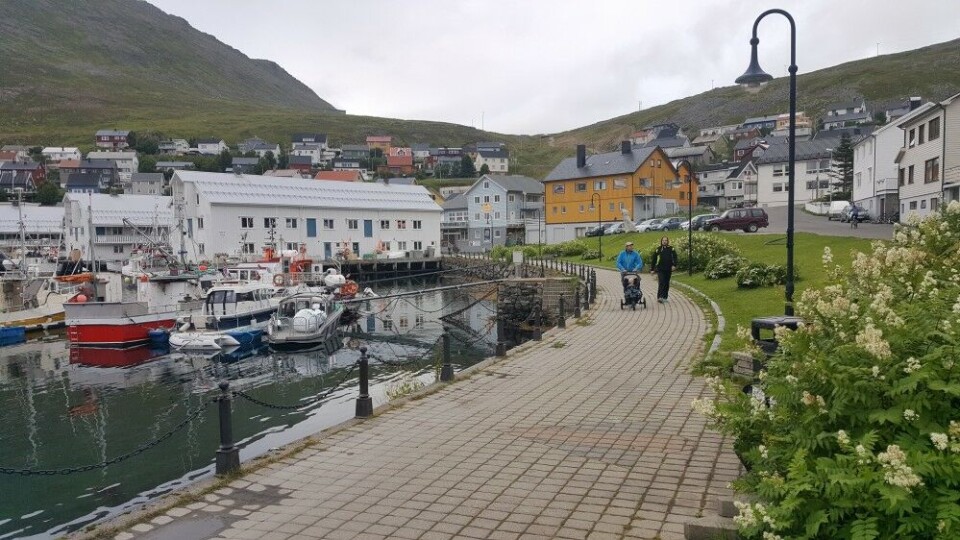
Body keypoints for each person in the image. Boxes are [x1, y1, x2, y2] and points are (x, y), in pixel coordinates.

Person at [650, 236, 678, 303]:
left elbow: (675, 257)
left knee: (666, 283)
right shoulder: (658, 249)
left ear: (667, 241)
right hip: (660, 269)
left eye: (666, 240)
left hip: (668, 269)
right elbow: (654, 260)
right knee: (661, 282)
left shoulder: (671, 249)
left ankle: (665, 297)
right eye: (663, 240)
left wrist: (674, 265)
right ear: (661, 241)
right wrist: (652, 269)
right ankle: (660, 297)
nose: (664, 241)